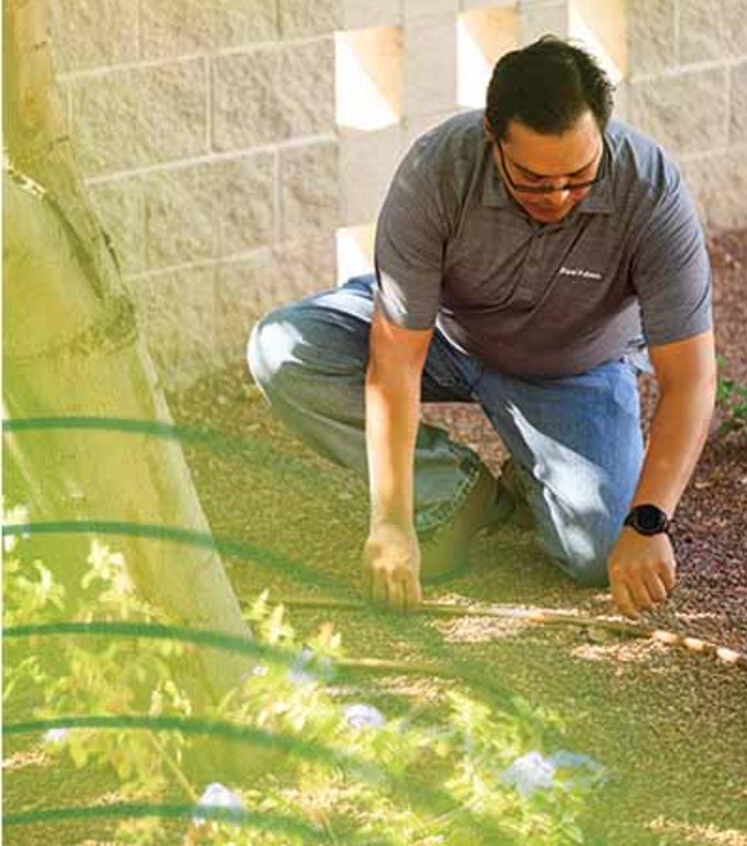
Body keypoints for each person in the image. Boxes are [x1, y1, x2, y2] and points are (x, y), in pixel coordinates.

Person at [247, 36, 716, 620]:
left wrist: (649, 521)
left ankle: (531, 479)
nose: (560, 196)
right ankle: (455, 490)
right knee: (281, 348)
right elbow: (395, 360)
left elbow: (690, 379)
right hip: (443, 333)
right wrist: (391, 522)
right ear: (492, 138)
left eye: (579, 175)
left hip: (570, 369)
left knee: (599, 551)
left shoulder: (650, 189)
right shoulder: (436, 169)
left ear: (603, 132)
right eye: (533, 179)